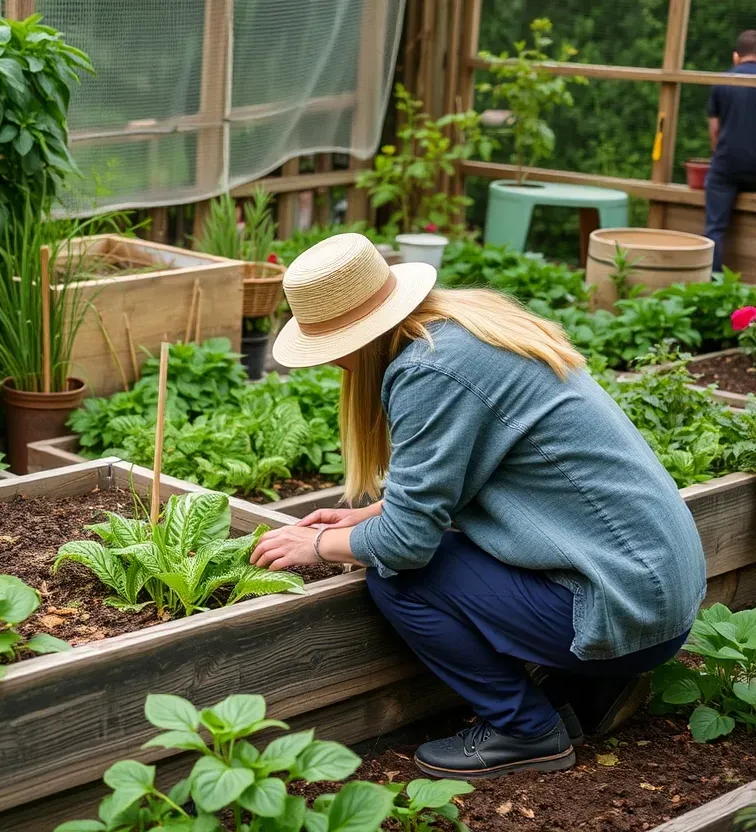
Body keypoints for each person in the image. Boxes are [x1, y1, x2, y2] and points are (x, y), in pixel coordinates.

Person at [249, 234, 705, 779]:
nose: (331, 364)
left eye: (327, 349)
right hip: (656, 591)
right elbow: (471, 474)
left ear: (352, 337)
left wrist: (318, 545)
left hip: (625, 603)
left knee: (396, 577)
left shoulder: (428, 371)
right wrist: (368, 515)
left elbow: (406, 545)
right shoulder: (463, 331)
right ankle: (578, 693)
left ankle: (525, 730)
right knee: (416, 550)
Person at [705, 29, 756, 272]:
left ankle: (713, 285)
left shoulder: (723, 81)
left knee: (714, 228)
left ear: (736, 56)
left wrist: (719, 158)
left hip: (727, 165)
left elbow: (714, 131)